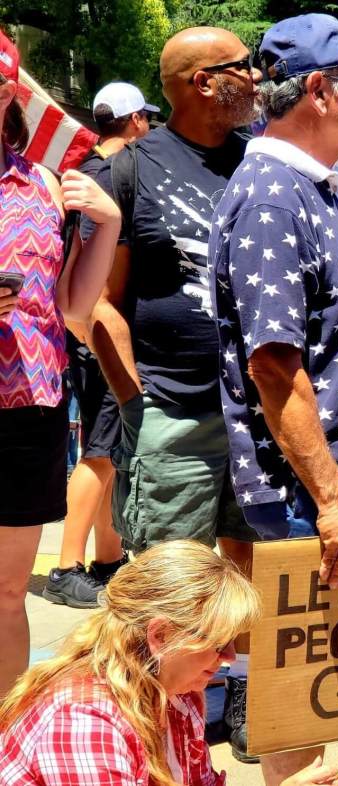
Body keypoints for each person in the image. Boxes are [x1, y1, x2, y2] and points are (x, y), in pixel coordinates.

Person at [208, 13, 338, 783]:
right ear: (320, 92)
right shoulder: (272, 197)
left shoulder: (316, 188)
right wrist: (334, 502)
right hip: (315, 497)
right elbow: (274, 368)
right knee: (310, 711)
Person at [88, 27, 262, 556]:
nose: (256, 77)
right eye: (242, 65)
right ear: (204, 83)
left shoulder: (261, 165)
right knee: (171, 592)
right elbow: (98, 303)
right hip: (173, 420)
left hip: (258, 416)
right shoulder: (130, 169)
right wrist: (137, 406)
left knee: (251, 587)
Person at [0, 540, 338, 786]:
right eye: (216, 644)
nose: (229, 658)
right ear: (161, 636)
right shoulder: (84, 723)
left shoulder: (175, 690)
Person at [0, 29, 122, 697]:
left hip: (27, 410)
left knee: (8, 589)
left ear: (10, 95)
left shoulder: (44, 186)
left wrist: (106, 224)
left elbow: (74, 307)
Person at [45, 82, 159, 609]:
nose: (151, 130)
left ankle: (108, 562)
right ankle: (65, 567)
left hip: (90, 332)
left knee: (111, 452)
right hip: (99, 337)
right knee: (98, 454)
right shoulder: (107, 177)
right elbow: (85, 266)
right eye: (148, 120)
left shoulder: (86, 173)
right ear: (135, 121)